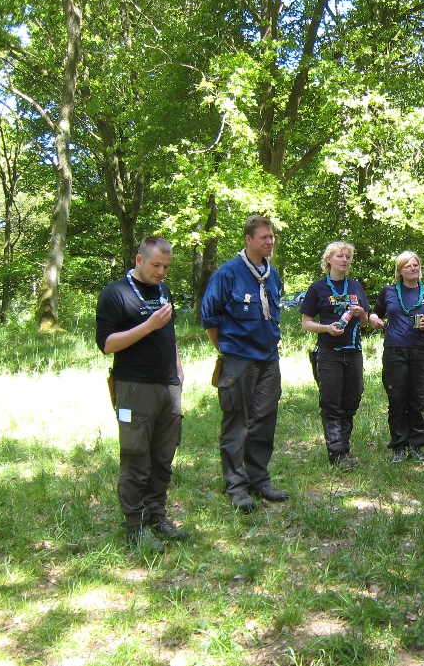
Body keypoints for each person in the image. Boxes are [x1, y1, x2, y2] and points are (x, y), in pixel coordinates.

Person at [96, 236, 186, 552]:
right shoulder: (115, 293)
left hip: (168, 385)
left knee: (163, 456)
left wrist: (178, 370)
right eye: (156, 265)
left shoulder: (163, 291)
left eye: (166, 267)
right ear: (139, 260)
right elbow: (107, 344)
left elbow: (170, 334)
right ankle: (134, 526)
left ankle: (157, 515)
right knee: (136, 457)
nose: (161, 272)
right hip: (134, 387)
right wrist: (147, 326)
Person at [201, 215, 289, 513]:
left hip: (268, 359)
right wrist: (228, 351)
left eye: (271, 236)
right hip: (238, 359)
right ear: (248, 239)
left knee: (264, 420)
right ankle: (236, 486)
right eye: (264, 237)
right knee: (237, 421)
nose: (270, 241)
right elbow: (210, 319)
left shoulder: (272, 275)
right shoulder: (228, 274)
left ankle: (259, 480)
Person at [301, 241, 371, 469]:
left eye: (348, 257)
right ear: (329, 259)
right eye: (340, 256)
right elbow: (306, 323)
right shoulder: (318, 288)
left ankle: (344, 448)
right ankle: (336, 453)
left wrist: (360, 313)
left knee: (352, 399)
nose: (344, 260)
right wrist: (327, 328)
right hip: (329, 352)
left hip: (353, 352)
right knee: (332, 401)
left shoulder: (356, 286)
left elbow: (365, 321)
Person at [368, 252, 424, 463]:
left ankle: (417, 445)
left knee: (418, 400)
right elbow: (375, 313)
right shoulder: (389, 291)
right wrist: (374, 319)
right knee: (397, 399)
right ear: (400, 270)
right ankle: (399, 445)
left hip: (421, 351)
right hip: (395, 351)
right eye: (407, 266)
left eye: (415, 265)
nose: (412, 268)